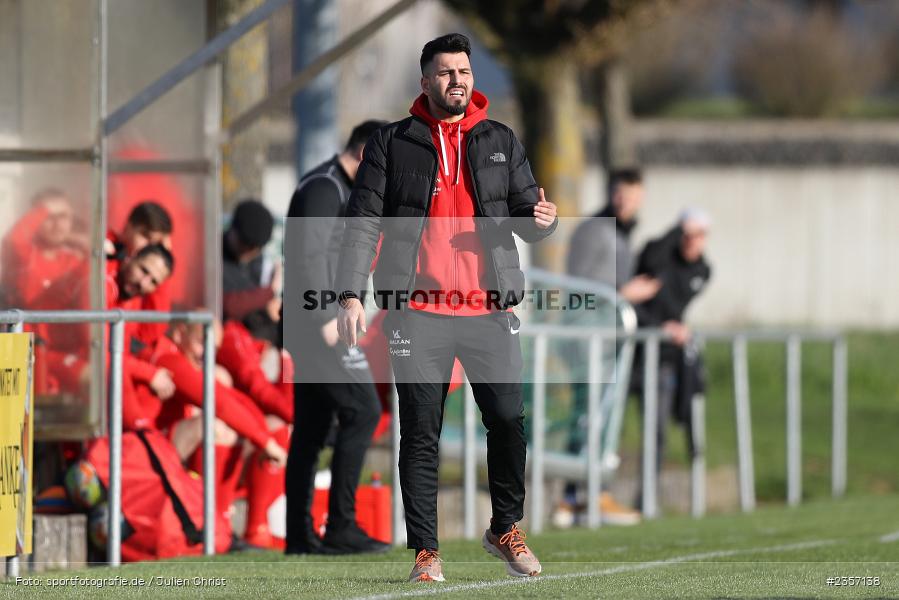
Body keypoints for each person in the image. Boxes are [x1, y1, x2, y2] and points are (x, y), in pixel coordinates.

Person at [333, 33, 557, 582]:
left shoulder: (500, 139)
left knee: (507, 420)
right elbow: (362, 222)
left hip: (489, 310)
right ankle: (426, 552)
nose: (458, 81)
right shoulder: (390, 144)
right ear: (425, 81)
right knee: (421, 430)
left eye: (465, 71)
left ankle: (504, 528)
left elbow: (530, 219)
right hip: (417, 313)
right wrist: (349, 294)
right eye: (446, 72)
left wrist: (541, 222)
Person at [283, 120, 389, 556]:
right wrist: (326, 317)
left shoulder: (341, 189)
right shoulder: (324, 188)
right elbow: (307, 257)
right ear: (366, 154)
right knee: (363, 410)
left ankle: (299, 536)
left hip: (318, 323)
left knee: (310, 429)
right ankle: (341, 525)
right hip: (318, 326)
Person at [561, 169, 657, 526]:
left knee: (595, 416)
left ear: (641, 196)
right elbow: (578, 284)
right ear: (610, 193)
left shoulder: (622, 233)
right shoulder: (593, 230)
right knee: (589, 416)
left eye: (631, 194)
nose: (624, 200)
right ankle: (582, 497)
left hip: (608, 339)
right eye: (619, 193)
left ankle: (578, 498)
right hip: (587, 338)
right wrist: (622, 294)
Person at [632, 208, 712, 492]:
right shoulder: (660, 255)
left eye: (698, 235)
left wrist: (672, 328)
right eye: (686, 235)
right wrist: (677, 229)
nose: (691, 241)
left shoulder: (702, 271)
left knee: (656, 431)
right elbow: (646, 271)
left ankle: (647, 500)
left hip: (663, 359)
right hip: (631, 352)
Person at [222, 199, 281, 345]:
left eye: (255, 248)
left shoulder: (260, 261)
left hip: (260, 331)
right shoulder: (213, 257)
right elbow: (229, 306)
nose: (249, 251)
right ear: (233, 230)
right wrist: (269, 292)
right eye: (244, 244)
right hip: (229, 337)